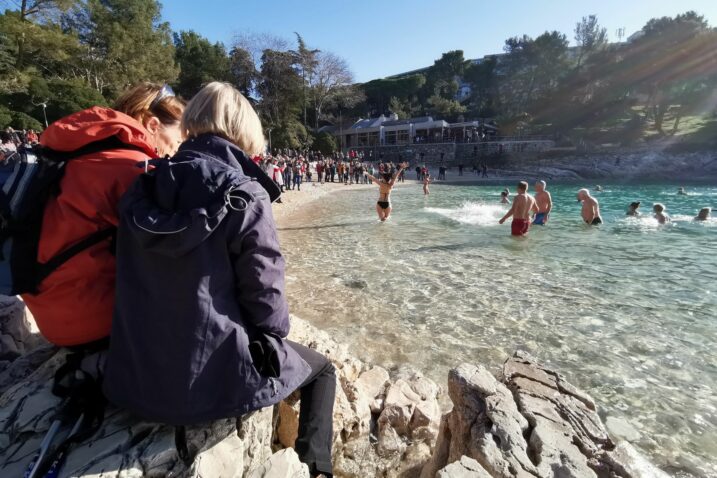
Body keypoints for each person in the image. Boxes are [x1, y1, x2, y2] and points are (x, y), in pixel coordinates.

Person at [103, 82, 336, 477]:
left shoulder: (144, 184)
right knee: (323, 370)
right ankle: (317, 468)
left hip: (136, 378)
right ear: (242, 130)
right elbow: (267, 307)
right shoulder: (244, 193)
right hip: (206, 387)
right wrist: (270, 336)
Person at [20, 83, 185, 347]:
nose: (175, 151)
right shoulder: (131, 167)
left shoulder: (80, 149)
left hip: (49, 310)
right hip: (94, 321)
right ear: (153, 125)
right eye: (177, 141)